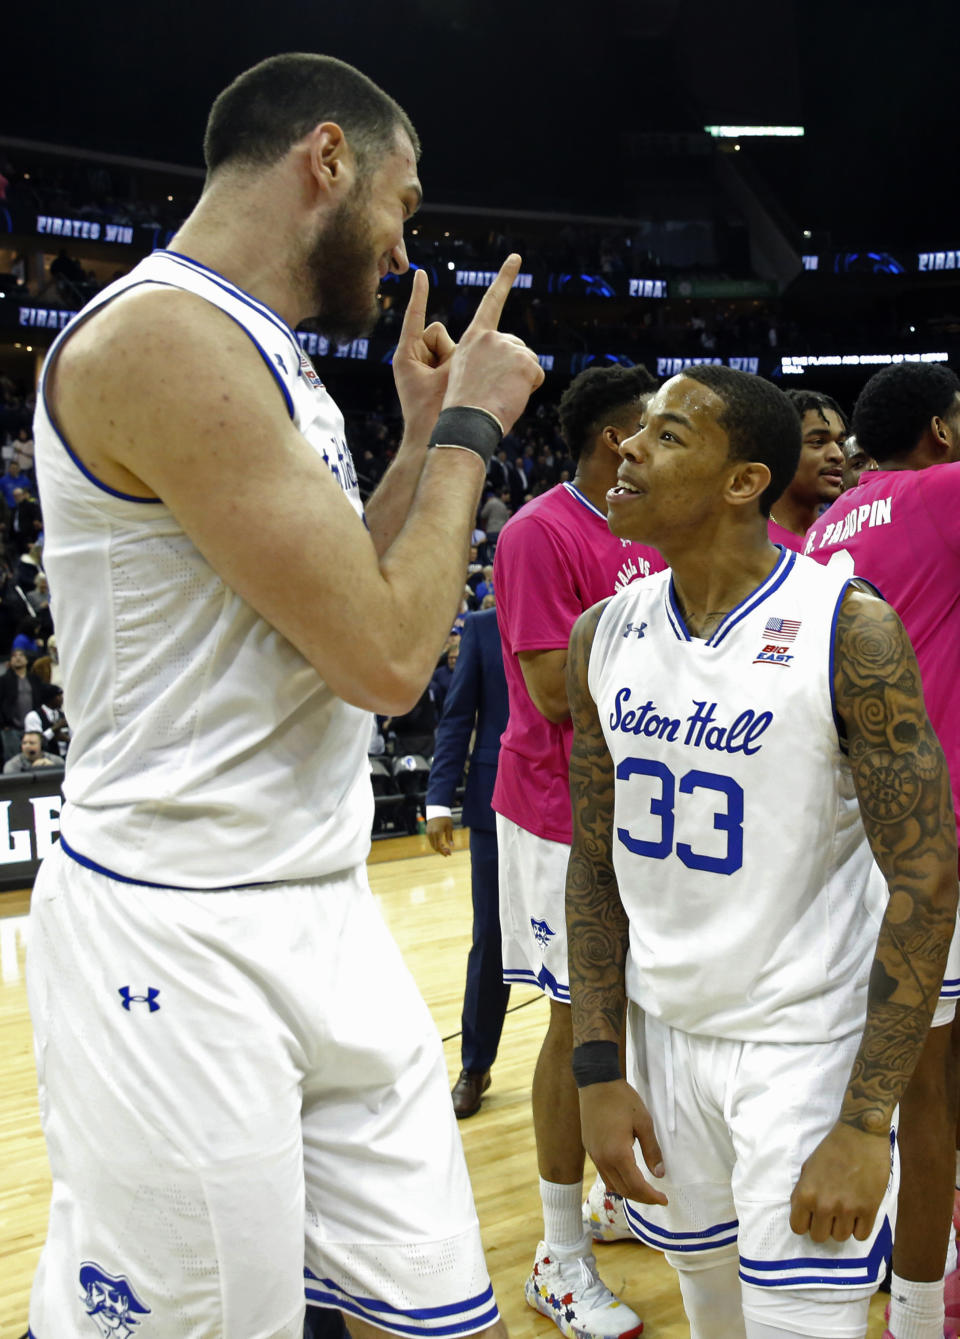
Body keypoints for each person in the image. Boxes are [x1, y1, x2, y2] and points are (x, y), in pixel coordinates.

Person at [27, 51, 544, 1339]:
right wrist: (474, 439)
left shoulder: (264, 351)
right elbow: (381, 659)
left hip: (315, 899)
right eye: (402, 206)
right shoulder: (162, 336)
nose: (400, 245)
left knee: (437, 1310)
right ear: (329, 159)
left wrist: (422, 438)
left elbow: (328, 599)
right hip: (179, 926)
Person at [564, 364, 957, 1339]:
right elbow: (593, 865)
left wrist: (869, 1119)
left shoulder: (847, 629)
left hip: (803, 1049)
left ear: (743, 480)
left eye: (666, 434)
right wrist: (598, 1067)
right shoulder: (599, 635)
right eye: (634, 430)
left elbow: (924, 870)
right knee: (713, 1322)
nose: (628, 448)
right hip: (665, 1043)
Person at [493, 363, 666, 1339]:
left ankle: (609, 1198)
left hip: (639, 812)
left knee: (634, 1012)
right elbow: (559, 691)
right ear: (618, 438)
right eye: (660, 428)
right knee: (577, 1027)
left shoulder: (647, 528)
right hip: (560, 815)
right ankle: (557, 1260)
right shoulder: (537, 533)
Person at [803, 361, 960, 1339]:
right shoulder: (946, 493)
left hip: (850, 831)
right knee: (930, 1089)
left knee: (906, 1073)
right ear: (942, 430)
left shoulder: (827, 527)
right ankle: (917, 1309)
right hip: (929, 834)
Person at [425, 607, 511, 1117]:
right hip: (492, 803)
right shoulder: (482, 628)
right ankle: (475, 1066)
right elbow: (458, 717)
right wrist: (439, 801)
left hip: (571, 795)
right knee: (492, 941)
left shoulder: (585, 609)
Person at [766, 389, 847, 551]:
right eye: (818, 441)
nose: (838, 455)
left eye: (841, 443)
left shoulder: (847, 535)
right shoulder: (750, 542)